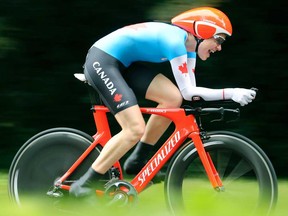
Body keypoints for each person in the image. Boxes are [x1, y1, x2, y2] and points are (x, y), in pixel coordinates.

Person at [69, 7, 256, 197]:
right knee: (134, 128)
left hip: (123, 64)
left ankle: (138, 160)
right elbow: (190, 92)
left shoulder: (188, 49)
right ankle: (83, 185)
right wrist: (232, 93)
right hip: (102, 61)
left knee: (173, 98)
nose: (219, 47)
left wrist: (230, 94)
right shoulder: (175, 41)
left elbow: (188, 94)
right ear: (202, 31)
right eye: (219, 39)